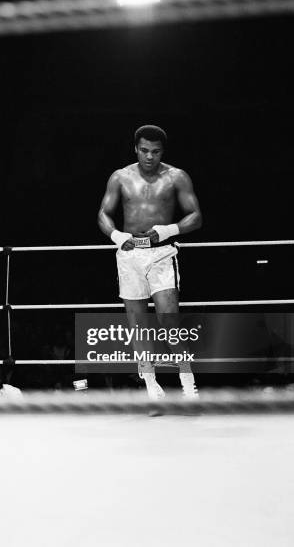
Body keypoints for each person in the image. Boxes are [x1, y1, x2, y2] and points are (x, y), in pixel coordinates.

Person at [98, 124, 202, 399]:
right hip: (130, 254)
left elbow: (195, 216)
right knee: (138, 325)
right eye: (144, 150)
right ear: (135, 148)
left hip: (162, 253)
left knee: (169, 322)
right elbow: (103, 214)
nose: (149, 157)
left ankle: (188, 385)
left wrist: (168, 230)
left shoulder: (176, 177)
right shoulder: (120, 177)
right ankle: (151, 386)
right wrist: (117, 235)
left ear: (162, 151)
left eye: (155, 152)